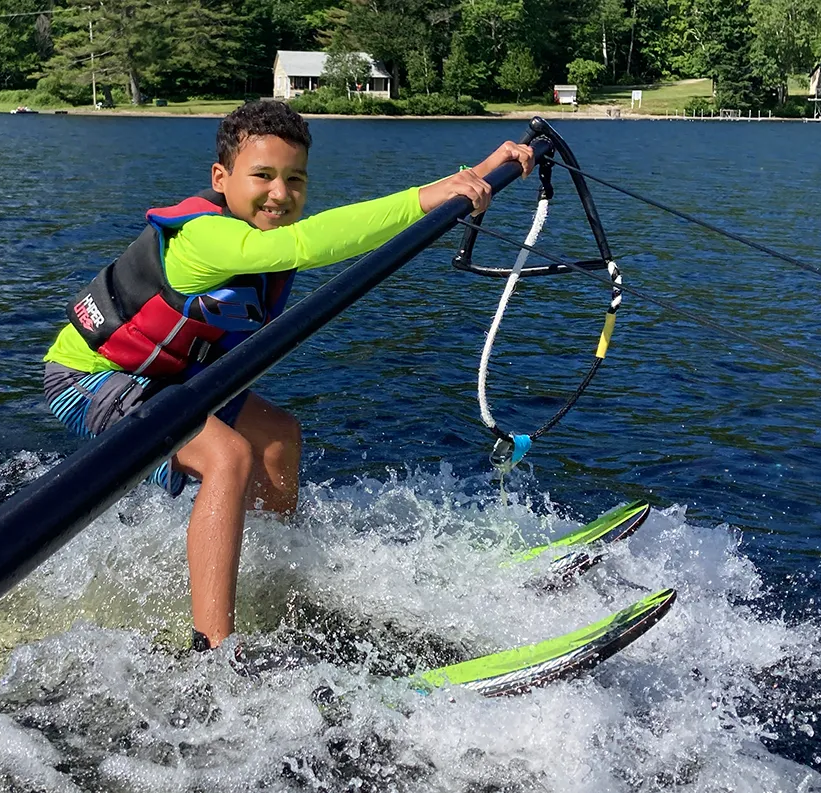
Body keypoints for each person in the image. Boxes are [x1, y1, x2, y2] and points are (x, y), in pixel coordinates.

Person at [43, 100, 534, 652]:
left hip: (165, 378)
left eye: (295, 179)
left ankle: (271, 575)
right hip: (90, 380)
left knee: (278, 437)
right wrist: (432, 194)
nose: (280, 193)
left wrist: (477, 174)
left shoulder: (261, 230)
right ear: (221, 179)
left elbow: (338, 228)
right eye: (263, 176)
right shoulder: (207, 239)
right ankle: (212, 651)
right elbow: (311, 242)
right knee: (227, 456)